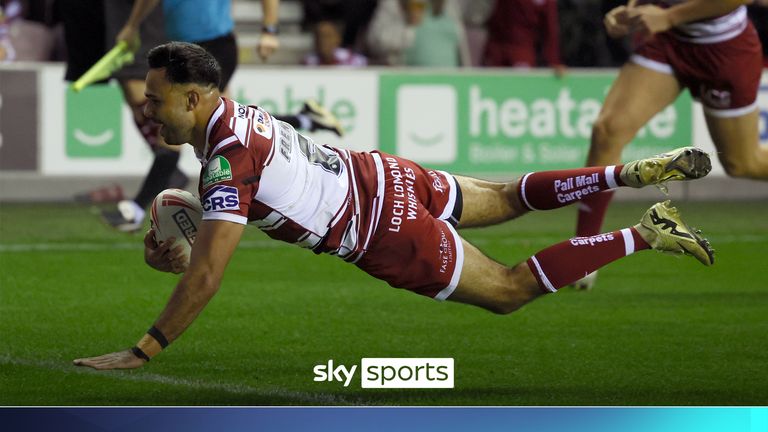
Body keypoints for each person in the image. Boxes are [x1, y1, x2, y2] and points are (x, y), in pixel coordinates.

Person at [73, 42, 714, 370]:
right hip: (382, 172)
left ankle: (645, 232)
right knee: (512, 194)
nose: (145, 110)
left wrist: (144, 348)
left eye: (156, 101)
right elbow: (225, 227)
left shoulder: (224, 160)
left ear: (193, 99)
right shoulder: (234, 118)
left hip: (384, 229)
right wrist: (181, 249)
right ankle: (624, 172)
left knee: (510, 291)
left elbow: (210, 274)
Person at [101, 0, 344, 232]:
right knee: (238, 119)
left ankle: (136, 209)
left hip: (213, 46)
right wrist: (132, 26)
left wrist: (269, 29)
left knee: (188, 127)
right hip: (180, 50)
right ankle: (307, 119)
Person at [573, 0, 765, 289]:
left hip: (725, 45)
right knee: (608, 130)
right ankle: (583, 252)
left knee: (742, 163)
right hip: (670, 41)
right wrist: (631, 10)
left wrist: (669, 16)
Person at [366, 0, 471, 67]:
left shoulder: (450, 4)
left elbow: (461, 49)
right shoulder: (394, 3)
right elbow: (374, 39)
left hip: (453, 83)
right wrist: (408, 29)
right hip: (412, 83)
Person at [481, 0, 566, 76]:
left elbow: (550, 29)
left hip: (522, 51)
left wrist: (554, 61)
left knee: (521, 86)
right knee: (490, 84)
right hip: (496, 48)